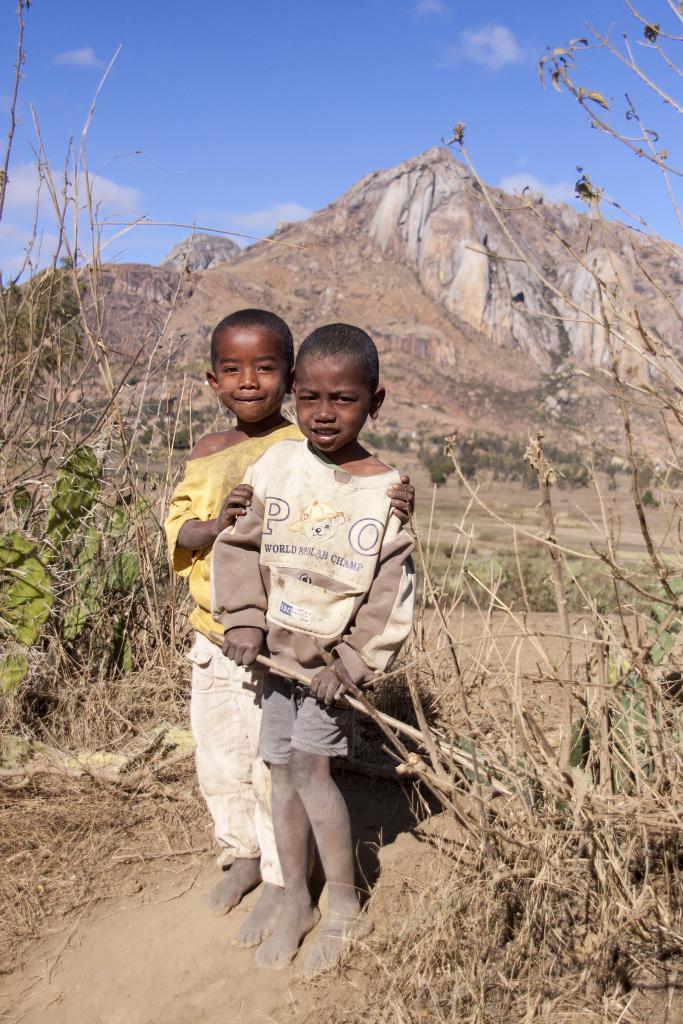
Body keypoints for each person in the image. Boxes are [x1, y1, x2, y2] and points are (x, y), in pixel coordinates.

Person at [164, 309, 414, 949]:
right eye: (310, 398)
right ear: (296, 393)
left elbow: (391, 594)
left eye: (343, 400)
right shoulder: (276, 467)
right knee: (276, 768)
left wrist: (352, 665)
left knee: (309, 771)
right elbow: (238, 548)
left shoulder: (385, 491)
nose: (324, 413)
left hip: (328, 668)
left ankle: (341, 903)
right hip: (273, 659)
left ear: (374, 402)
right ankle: (294, 898)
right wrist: (244, 622)